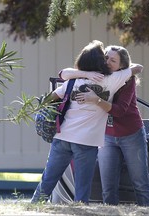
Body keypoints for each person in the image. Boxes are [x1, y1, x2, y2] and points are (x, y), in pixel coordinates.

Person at [31, 40, 142, 204]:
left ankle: (33, 207)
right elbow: (137, 69)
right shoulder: (112, 79)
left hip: (62, 137)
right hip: (86, 142)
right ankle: (79, 210)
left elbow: (49, 98)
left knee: (48, 180)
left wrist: (83, 74)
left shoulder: (72, 81)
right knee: (82, 188)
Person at [60, 45, 149, 206]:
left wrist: (95, 99)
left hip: (131, 134)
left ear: (122, 66)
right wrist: (86, 73)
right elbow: (63, 74)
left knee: (140, 182)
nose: (108, 62)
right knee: (108, 187)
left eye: (113, 60)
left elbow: (119, 111)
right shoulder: (96, 75)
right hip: (107, 136)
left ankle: (148, 211)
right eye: (106, 58)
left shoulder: (127, 80)